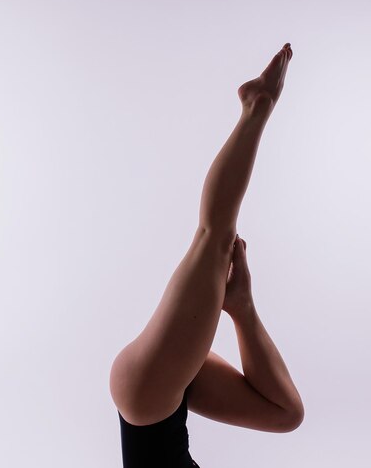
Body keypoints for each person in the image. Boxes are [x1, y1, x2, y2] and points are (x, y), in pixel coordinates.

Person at [109, 43, 304, 467]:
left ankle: (257, 106)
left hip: (148, 401)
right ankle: (242, 304)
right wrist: (243, 310)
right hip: (161, 402)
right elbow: (287, 414)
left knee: (214, 238)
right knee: (287, 415)